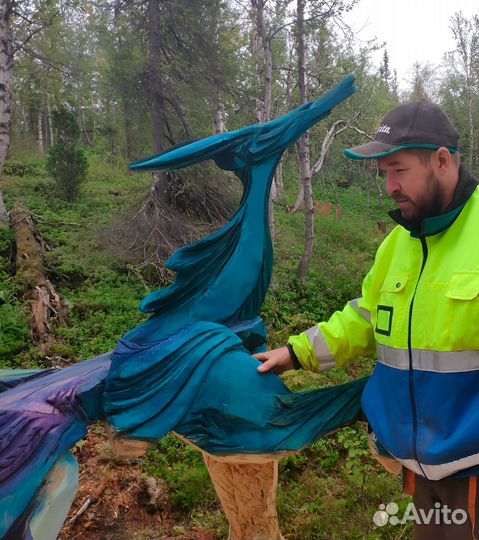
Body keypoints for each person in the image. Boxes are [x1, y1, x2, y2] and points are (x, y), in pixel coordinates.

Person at [255, 101, 479, 540]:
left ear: (442, 160)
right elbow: (364, 317)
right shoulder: (398, 243)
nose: (391, 187)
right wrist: (295, 352)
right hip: (420, 471)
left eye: (399, 170)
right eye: (384, 175)